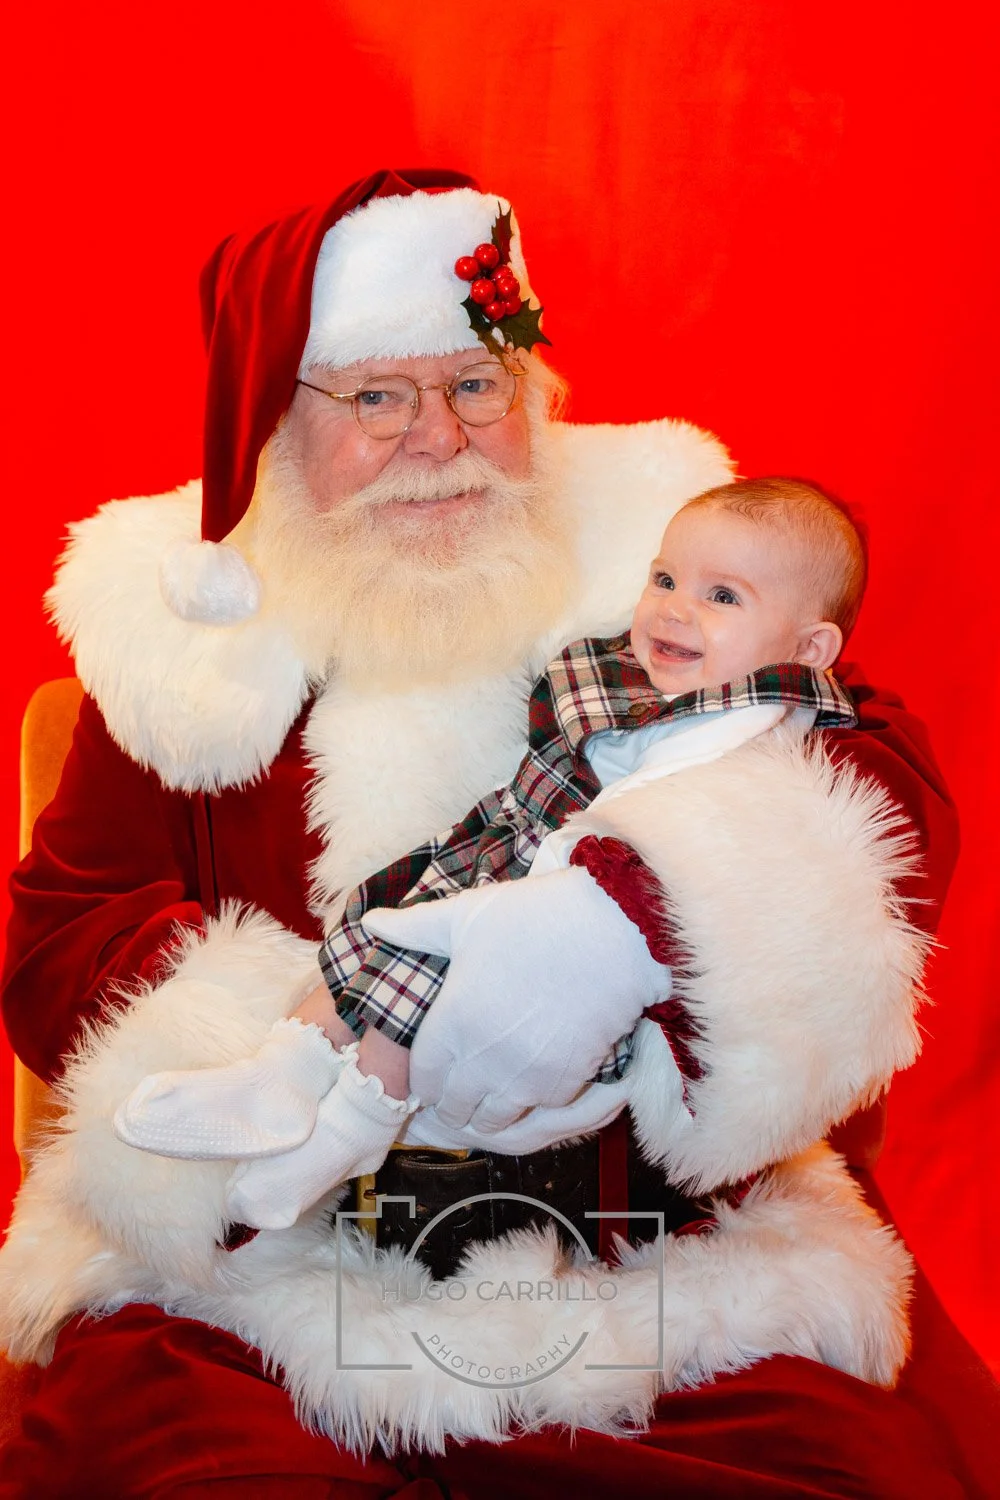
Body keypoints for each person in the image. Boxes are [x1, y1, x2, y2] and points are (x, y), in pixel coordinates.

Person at [0, 169, 993, 1497]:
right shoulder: (187, 649)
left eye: (476, 385)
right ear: (281, 428)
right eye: (377, 398)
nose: (439, 437)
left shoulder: (671, 575)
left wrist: (628, 933)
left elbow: (874, 786)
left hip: (649, 1256)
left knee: (853, 1466)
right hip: (267, 1275)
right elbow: (65, 936)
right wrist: (331, 1039)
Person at [112, 476, 870, 1240]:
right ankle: (281, 1069)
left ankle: (351, 1125)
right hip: (497, 847)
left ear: (809, 650)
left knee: (421, 985)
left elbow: (678, 832)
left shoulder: (746, 726)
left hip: (549, 910)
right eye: (664, 579)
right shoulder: (648, 676)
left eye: (722, 597)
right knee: (378, 931)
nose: (674, 608)